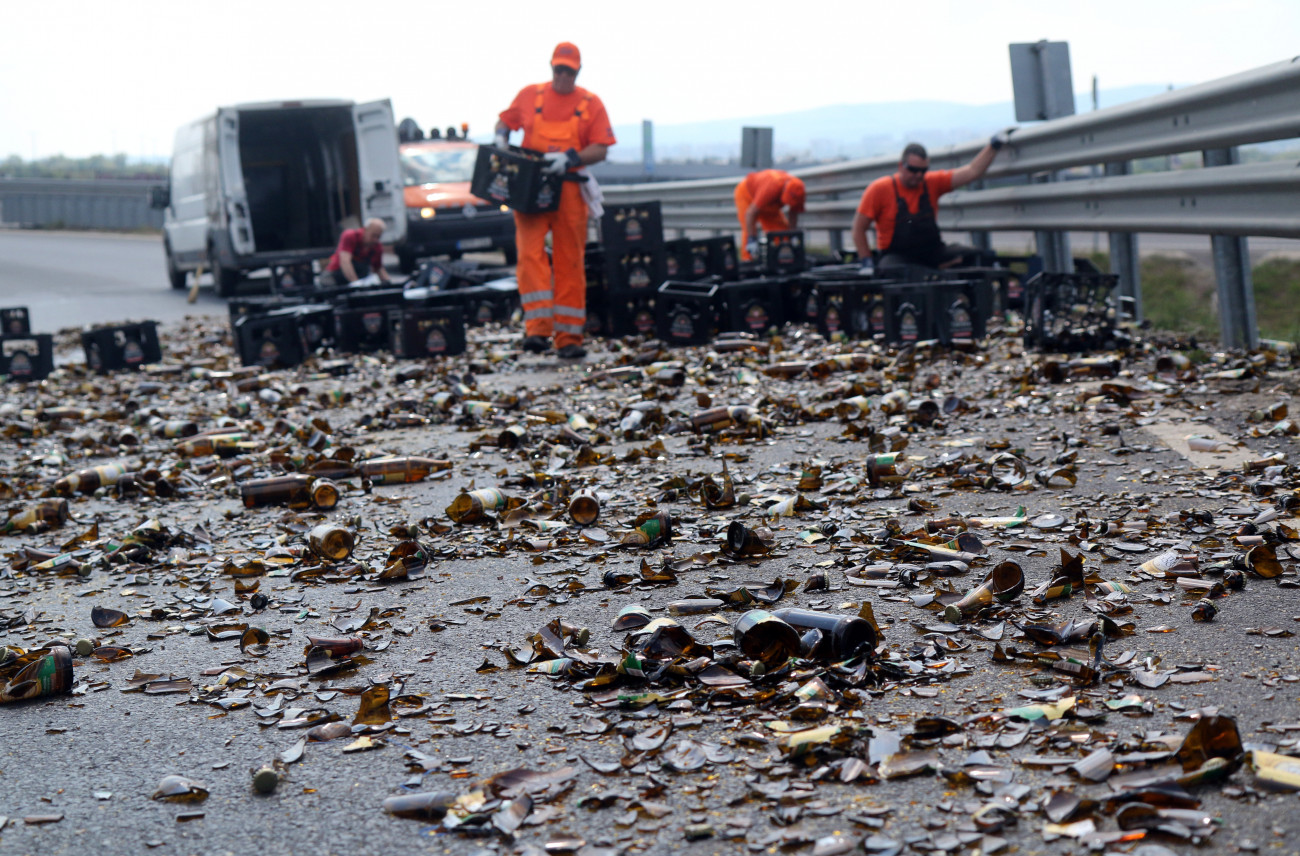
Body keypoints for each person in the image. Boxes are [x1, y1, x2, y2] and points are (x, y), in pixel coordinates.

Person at [495, 41, 615, 359]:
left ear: (577, 71)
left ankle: (569, 338)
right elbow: (505, 122)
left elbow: (601, 148)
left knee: (570, 261)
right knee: (530, 257)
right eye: (559, 69)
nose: (563, 75)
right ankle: (537, 330)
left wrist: (570, 157)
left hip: (570, 191)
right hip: (530, 190)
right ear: (551, 67)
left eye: (569, 71)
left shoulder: (591, 103)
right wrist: (500, 139)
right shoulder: (529, 95)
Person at [851, 132, 1012, 271]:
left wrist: (993, 145)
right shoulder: (880, 189)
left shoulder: (931, 183)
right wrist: (866, 261)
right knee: (892, 272)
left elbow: (971, 171)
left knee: (977, 257)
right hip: (897, 256)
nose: (918, 175)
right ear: (901, 166)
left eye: (923, 171)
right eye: (913, 170)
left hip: (932, 252)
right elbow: (859, 229)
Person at [734, 170, 805, 261]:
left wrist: (793, 235)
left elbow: (793, 213)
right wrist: (752, 239)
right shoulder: (771, 187)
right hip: (747, 193)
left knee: (781, 233)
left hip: (770, 202)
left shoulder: (798, 191)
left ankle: (782, 260)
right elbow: (750, 214)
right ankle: (748, 259)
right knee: (748, 230)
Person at [320, 218, 392, 287]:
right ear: (365, 230)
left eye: (378, 237)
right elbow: (345, 261)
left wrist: (387, 282)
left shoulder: (377, 247)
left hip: (360, 279)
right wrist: (355, 283)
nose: (375, 239)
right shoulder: (350, 236)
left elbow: (378, 268)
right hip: (335, 277)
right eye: (373, 235)